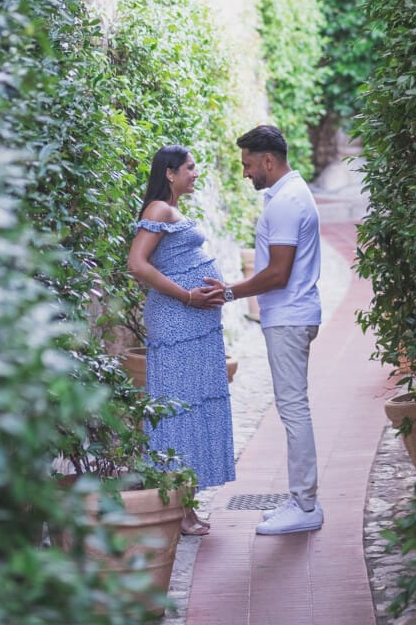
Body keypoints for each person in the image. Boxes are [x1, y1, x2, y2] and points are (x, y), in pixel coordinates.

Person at [204, 124, 323, 536]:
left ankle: (306, 505)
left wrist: (230, 293)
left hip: (290, 316)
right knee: (293, 408)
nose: (245, 173)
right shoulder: (287, 194)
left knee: (294, 409)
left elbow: (277, 272)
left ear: (268, 160)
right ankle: (300, 500)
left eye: (249, 164)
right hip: (290, 316)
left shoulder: (286, 202)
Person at [127, 144, 235, 536]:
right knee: (177, 412)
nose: (195, 172)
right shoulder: (158, 209)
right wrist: (188, 295)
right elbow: (136, 264)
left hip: (194, 325)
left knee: (188, 409)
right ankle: (177, 511)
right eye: (189, 168)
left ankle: (185, 508)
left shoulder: (172, 210)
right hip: (176, 323)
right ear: (169, 173)